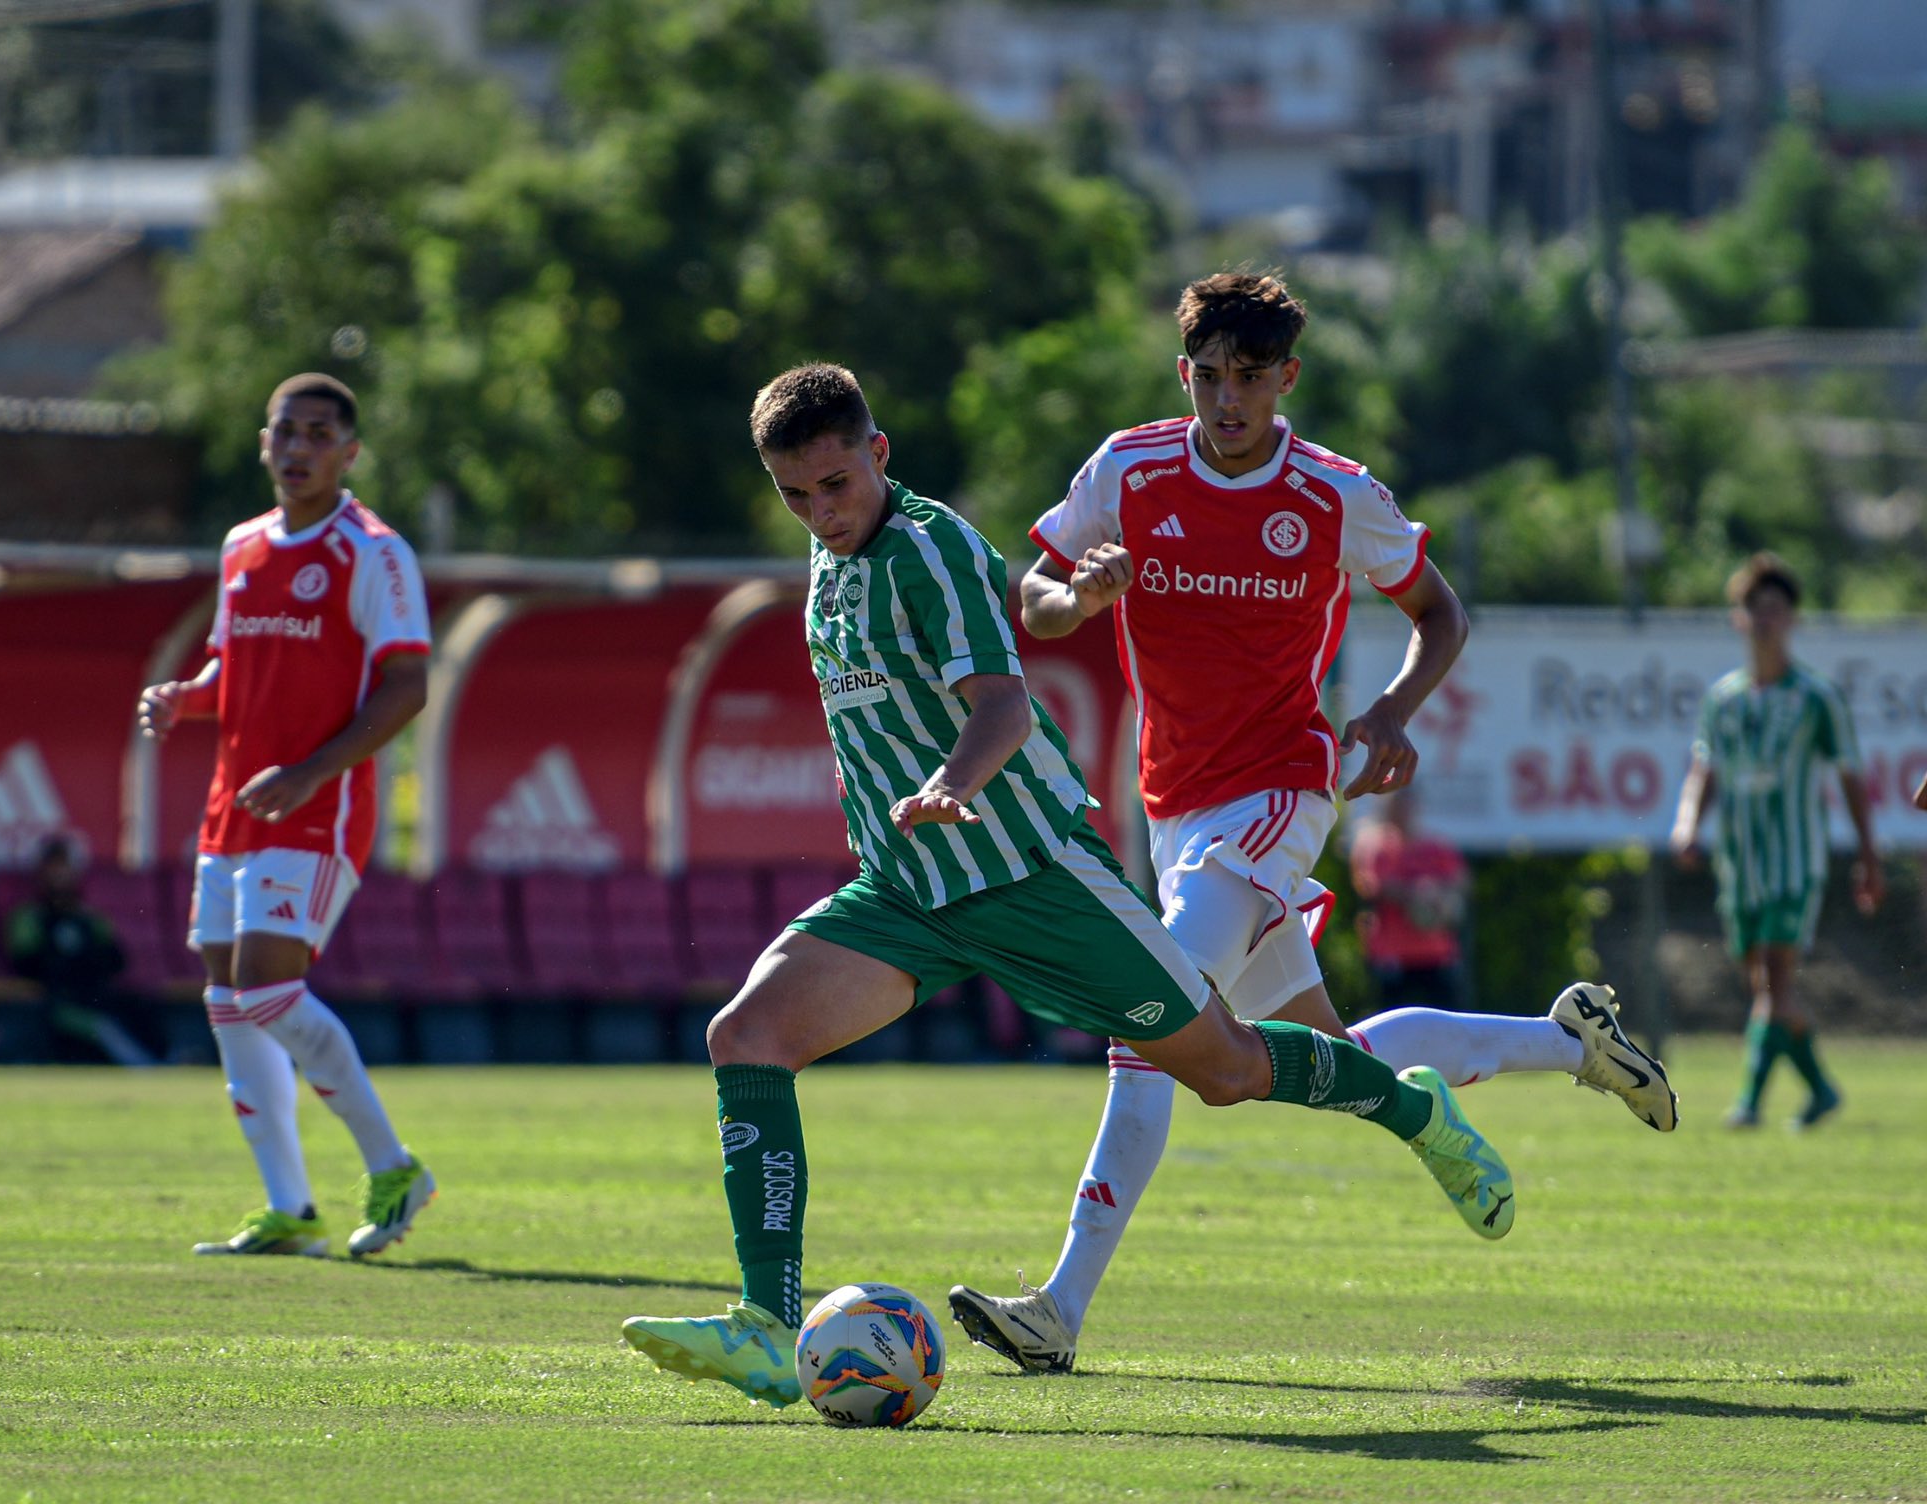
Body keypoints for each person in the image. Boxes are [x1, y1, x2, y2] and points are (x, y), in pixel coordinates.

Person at [619, 363, 1517, 1411]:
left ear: (878, 453)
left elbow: (1001, 707)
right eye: (795, 494)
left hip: (1029, 873)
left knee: (1220, 1067)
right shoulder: (831, 565)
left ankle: (1413, 1113)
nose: (822, 510)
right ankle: (768, 1327)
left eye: (836, 482)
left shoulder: (930, 548)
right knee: (747, 1035)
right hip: (909, 888)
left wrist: (952, 785)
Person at [948, 270, 1676, 1375]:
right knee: (1324, 1056)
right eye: (1206, 376)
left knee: (1148, 1026)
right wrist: (1075, 598)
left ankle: (1058, 1308)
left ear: (1285, 378)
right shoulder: (1129, 468)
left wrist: (1383, 713)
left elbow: (1438, 611)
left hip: (1282, 789)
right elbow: (1032, 598)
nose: (1224, 398)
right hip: (1174, 809)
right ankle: (1565, 1041)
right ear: (1181, 374)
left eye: (1247, 377)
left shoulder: (1334, 494)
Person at [138, 372, 436, 1259]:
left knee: (268, 989)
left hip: (318, 803)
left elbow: (408, 685)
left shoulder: (373, 552)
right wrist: (183, 699)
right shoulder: (242, 548)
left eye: (318, 434)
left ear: (348, 452)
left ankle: (394, 1166)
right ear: (263, 443)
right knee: (231, 1003)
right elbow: (234, 668)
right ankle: (289, 1209)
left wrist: (310, 773)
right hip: (233, 807)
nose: (298, 448)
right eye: (285, 432)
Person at [1670, 551, 1882, 1130]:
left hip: (1794, 861)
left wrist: (1868, 857)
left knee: (1775, 984)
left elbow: (1850, 775)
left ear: (1792, 619)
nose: (1765, 619)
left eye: (1776, 609)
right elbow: (1703, 769)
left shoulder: (1816, 696)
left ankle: (1749, 1104)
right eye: (1754, 608)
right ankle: (1820, 1090)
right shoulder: (1724, 699)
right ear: (1739, 618)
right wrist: (1687, 824)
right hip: (1740, 862)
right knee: (1761, 987)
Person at [1, 834, 155, 1067]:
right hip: (57, 1003)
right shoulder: (29, 917)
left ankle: (168, 1058)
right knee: (101, 1027)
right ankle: (146, 1068)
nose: (59, 874)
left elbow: (117, 960)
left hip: (95, 996)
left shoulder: (91, 918)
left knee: (139, 1008)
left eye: (64, 866)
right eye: (54, 867)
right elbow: (24, 963)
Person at [1349, 790, 1471, 1013]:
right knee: (1391, 1025)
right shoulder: (1376, 846)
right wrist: (1415, 893)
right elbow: (1371, 887)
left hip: (1436, 953)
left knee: (1447, 1023)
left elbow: (1459, 883)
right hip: (1393, 954)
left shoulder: (1436, 846)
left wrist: (1438, 898)